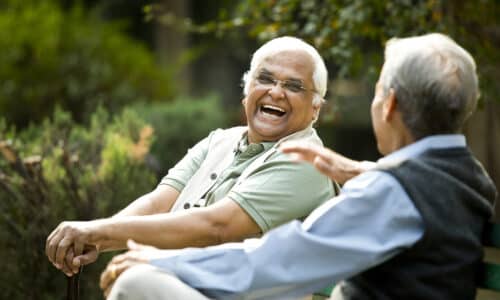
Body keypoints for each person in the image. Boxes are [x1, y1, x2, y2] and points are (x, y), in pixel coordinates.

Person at [100, 33, 497, 300]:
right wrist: (368, 173)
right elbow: (419, 199)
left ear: (389, 105)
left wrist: (160, 259)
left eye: (376, 93)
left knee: (139, 282)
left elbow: (281, 258)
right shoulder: (470, 178)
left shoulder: (394, 193)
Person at [45, 36, 337, 277]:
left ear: (315, 109)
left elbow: (216, 228)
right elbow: (159, 202)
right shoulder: (218, 141)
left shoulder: (307, 161)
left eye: (293, 86)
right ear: (247, 90)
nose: (276, 92)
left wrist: (98, 232)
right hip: (187, 285)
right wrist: (96, 238)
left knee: (133, 282)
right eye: (266, 79)